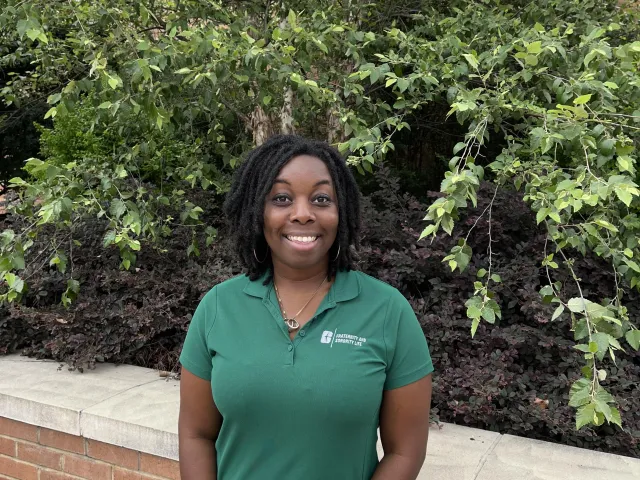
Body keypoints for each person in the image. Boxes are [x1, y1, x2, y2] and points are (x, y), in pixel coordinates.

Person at [178, 135, 433, 480]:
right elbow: (196, 435)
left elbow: (405, 451)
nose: (302, 214)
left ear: (341, 212)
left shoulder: (388, 311)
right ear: (257, 211)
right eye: (281, 198)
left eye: (321, 199)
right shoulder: (218, 307)